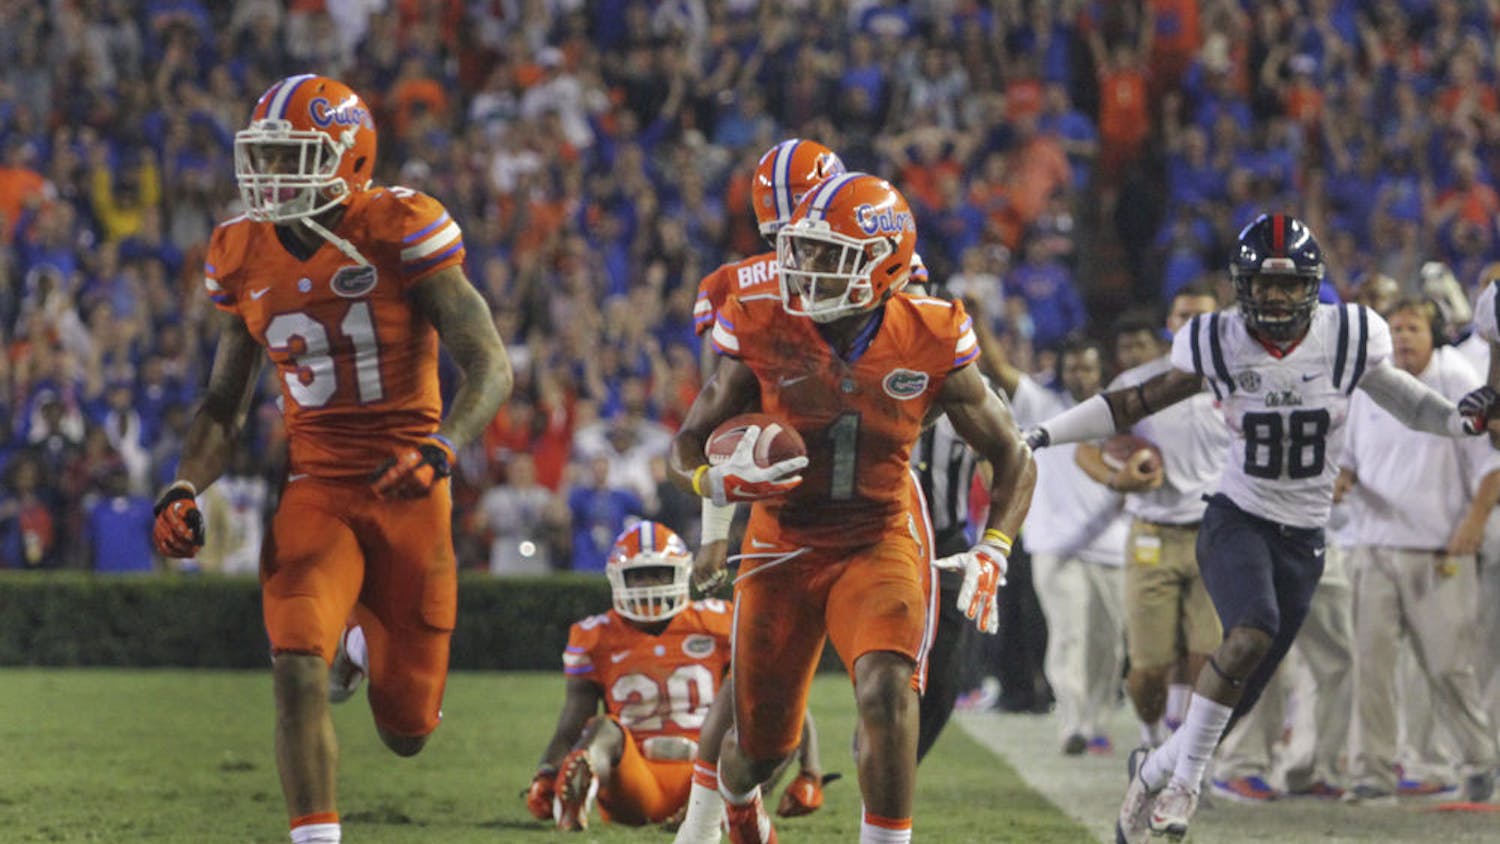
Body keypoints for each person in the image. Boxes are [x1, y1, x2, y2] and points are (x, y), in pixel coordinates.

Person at [1025, 214, 1497, 843]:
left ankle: (1158, 768)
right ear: (1241, 286)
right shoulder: (1218, 340)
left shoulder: (1350, 336)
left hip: (1305, 535)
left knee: (1240, 689)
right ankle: (1187, 780)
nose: (1275, 298)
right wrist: (1042, 435)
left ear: (1313, 286)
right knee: (1250, 631)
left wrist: (1457, 423)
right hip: (1237, 516)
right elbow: (1132, 403)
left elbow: (1404, 398)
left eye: (1289, 285)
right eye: (1264, 285)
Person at [151, 75, 512, 844]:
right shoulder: (241, 251)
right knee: (293, 663)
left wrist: (442, 447)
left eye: (292, 156)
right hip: (318, 487)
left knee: (407, 728)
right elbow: (223, 403)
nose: (272, 176)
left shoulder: (398, 225)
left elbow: (490, 363)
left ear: (349, 161)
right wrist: (182, 485)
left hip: (410, 486)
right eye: (265, 156)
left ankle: (361, 646)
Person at [670, 173, 1036, 844]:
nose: (802, 267)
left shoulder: (931, 333)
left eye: (825, 254)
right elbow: (689, 441)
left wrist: (995, 547)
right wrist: (710, 485)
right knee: (759, 748)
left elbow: (1013, 455)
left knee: (887, 691)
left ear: (883, 265)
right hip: (782, 542)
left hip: (878, 537)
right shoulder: (762, 317)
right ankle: (740, 805)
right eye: (802, 249)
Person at [673, 138, 847, 844]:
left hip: (873, 494)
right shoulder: (738, 290)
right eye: (783, 238)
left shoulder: (890, 271)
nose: (797, 260)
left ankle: (728, 816)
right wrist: (717, 530)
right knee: (751, 684)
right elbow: (727, 427)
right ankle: (711, 821)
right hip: (781, 498)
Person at [1335, 298, 1500, 803]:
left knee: (1450, 668)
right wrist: (1343, 479)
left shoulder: (1459, 381)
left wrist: (1474, 522)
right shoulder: (1373, 385)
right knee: (1373, 668)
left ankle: (1479, 760)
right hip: (1374, 545)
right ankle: (1373, 773)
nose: (1403, 337)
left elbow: (1491, 464)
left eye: (1413, 328)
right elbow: (1350, 457)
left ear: (1435, 335)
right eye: (1396, 328)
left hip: (1438, 548)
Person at [1072, 286, 1226, 751]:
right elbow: (1086, 449)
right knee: (1147, 669)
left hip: (1215, 532)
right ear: (1170, 324)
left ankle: (1190, 753)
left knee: (1211, 657)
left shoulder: (1239, 382)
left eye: (1204, 317)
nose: (1193, 325)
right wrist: (1120, 480)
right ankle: (1149, 738)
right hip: (1152, 533)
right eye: (1184, 316)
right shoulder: (1139, 383)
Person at [524, 521, 732, 830]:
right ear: (617, 579)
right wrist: (547, 774)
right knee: (605, 728)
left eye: (659, 573)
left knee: (757, 719)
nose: (649, 584)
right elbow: (572, 727)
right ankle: (580, 788)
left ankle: (722, 808)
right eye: (638, 576)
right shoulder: (597, 636)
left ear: (681, 572)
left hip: (708, 772)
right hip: (634, 777)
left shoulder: (717, 623)